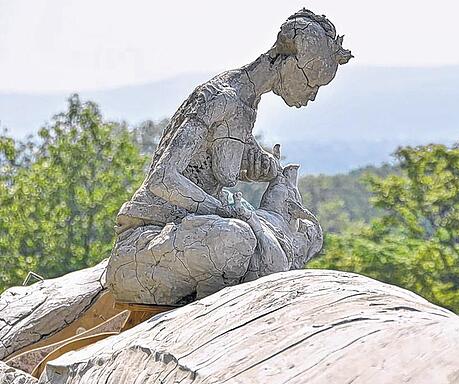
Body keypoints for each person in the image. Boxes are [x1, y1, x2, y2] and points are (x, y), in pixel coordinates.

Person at [105, 9, 352, 306]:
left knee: (307, 232)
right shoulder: (220, 97)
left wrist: (255, 164)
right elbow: (163, 178)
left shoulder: (248, 104)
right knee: (238, 240)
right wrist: (223, 210)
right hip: (147, 240)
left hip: (191, 234)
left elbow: (218, 160)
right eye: (311, 82)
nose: (311, 95)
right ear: (287, 58)